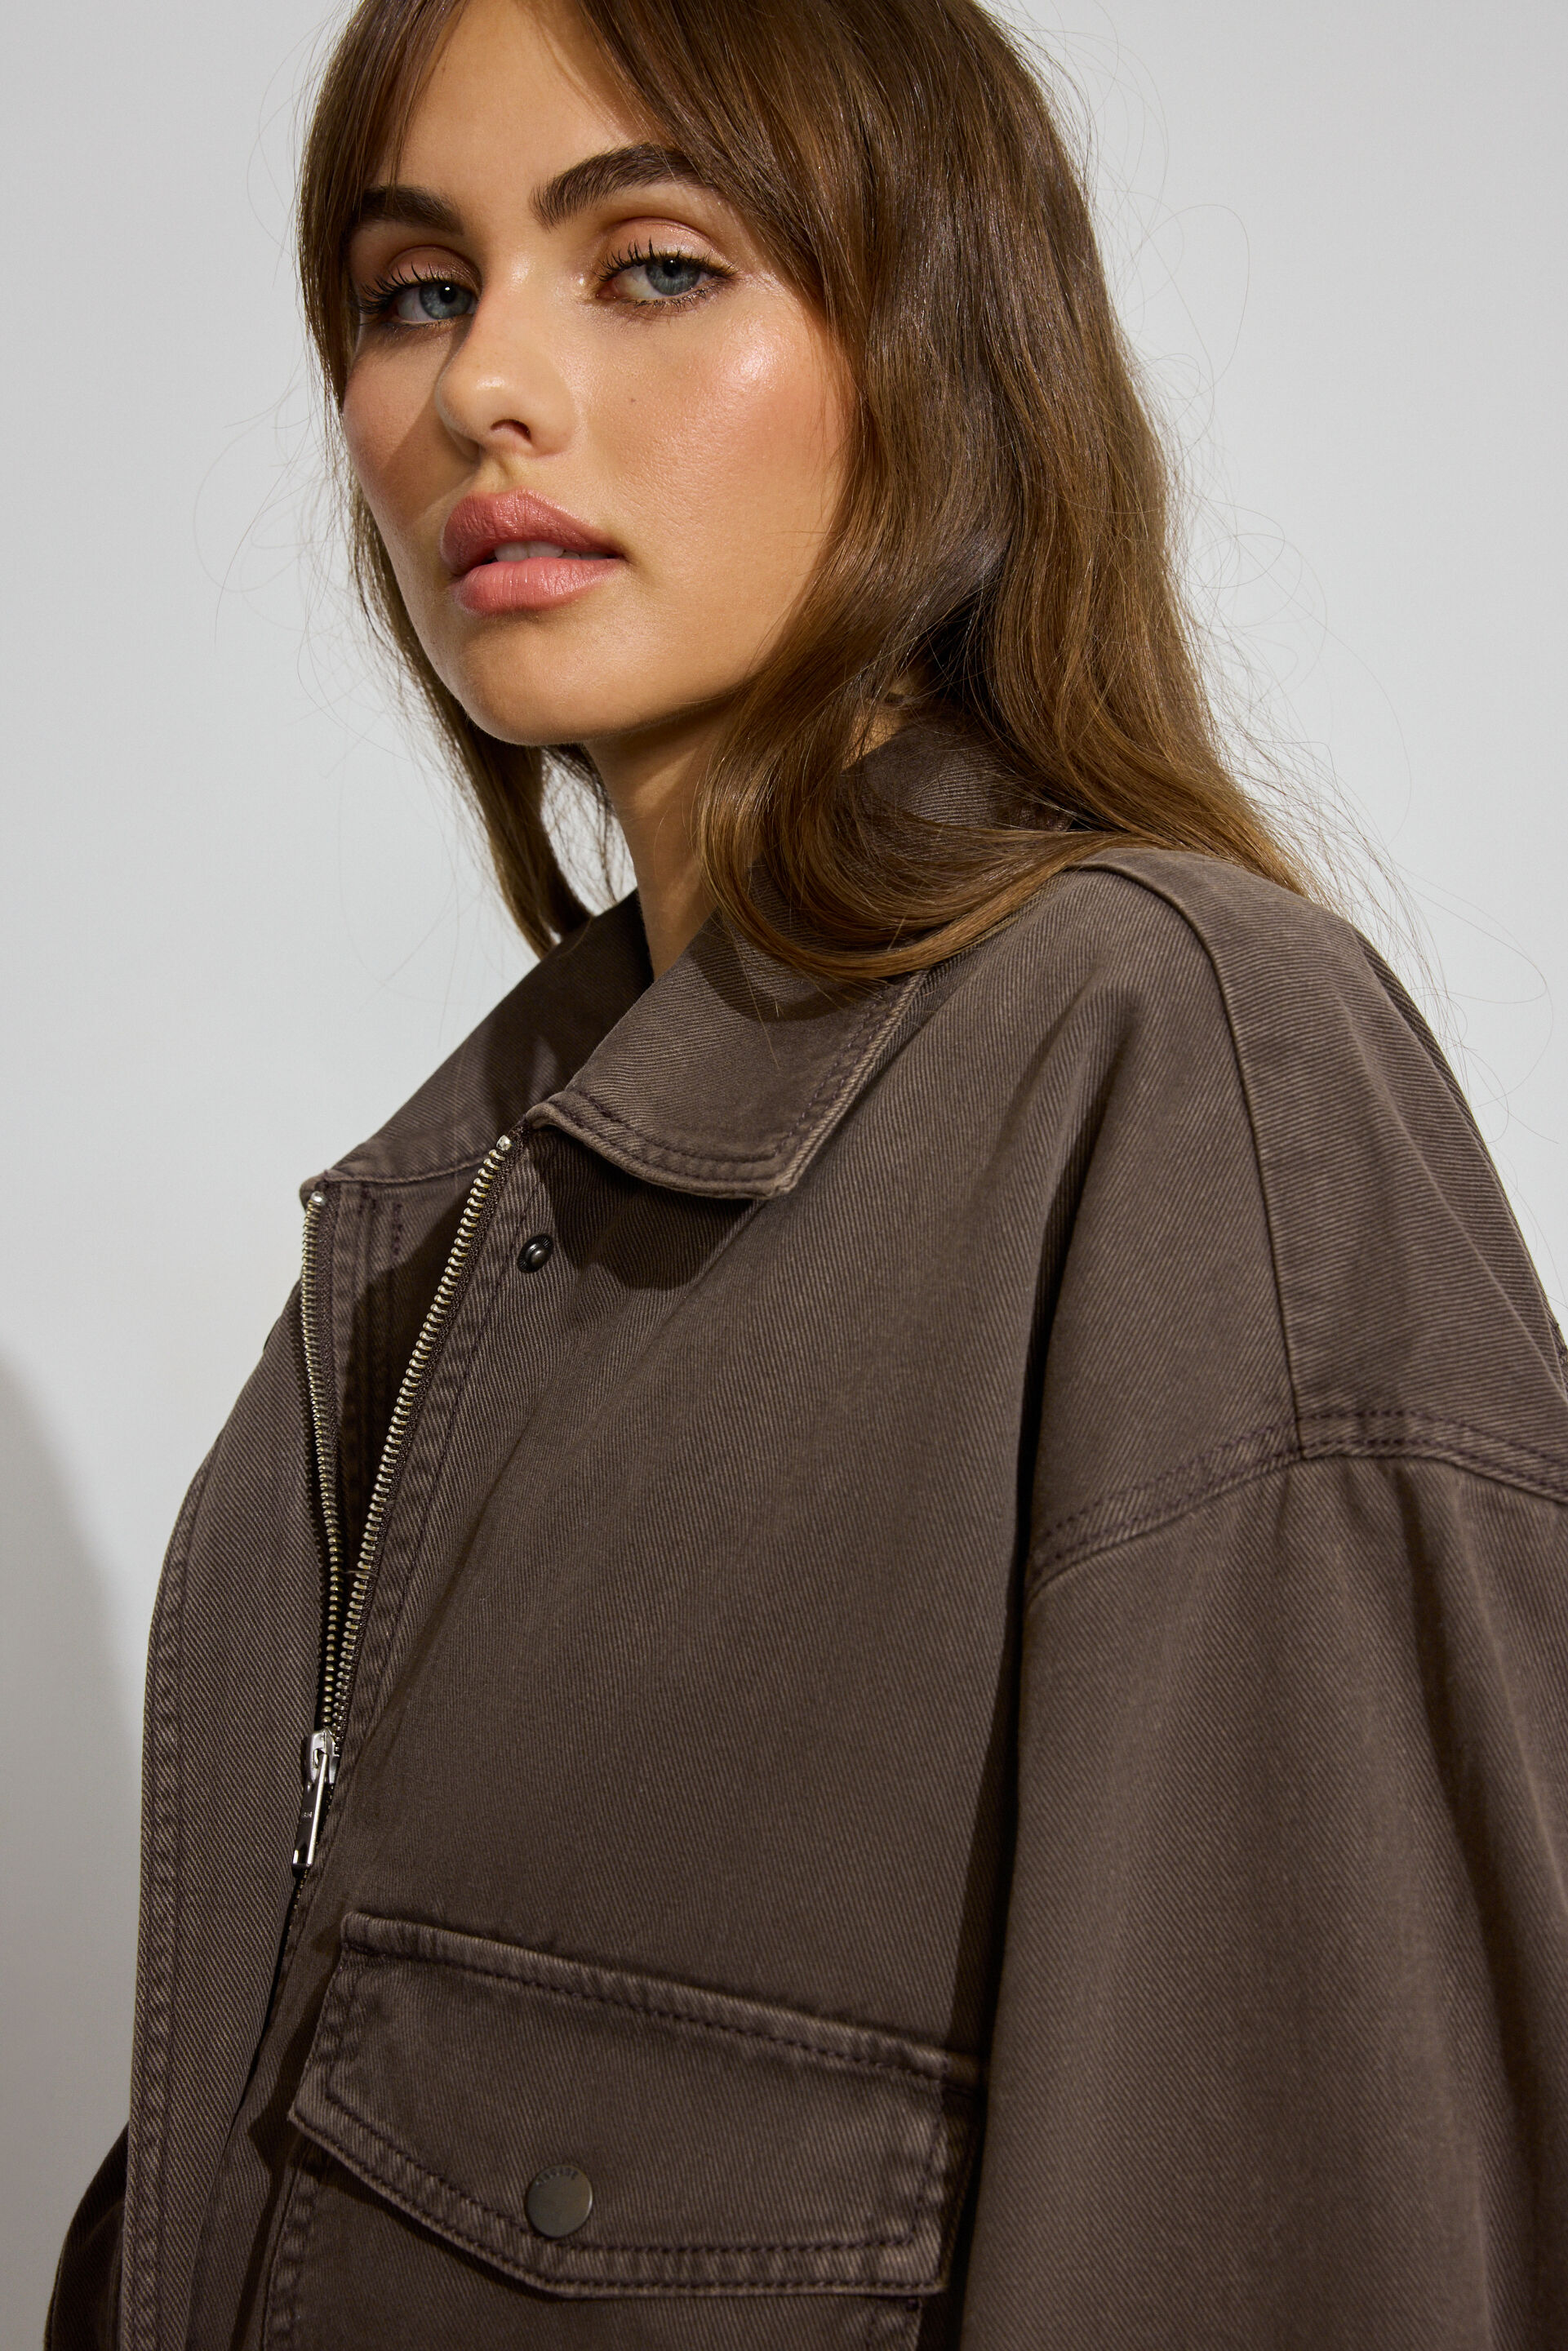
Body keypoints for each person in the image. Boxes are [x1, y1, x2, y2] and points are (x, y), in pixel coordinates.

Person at [48, 0, 1568, 2341]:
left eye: (654, 264)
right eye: (414, 289)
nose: (481, 388)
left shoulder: (1174, 1073)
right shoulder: (449, 1229)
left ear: (940, 348)